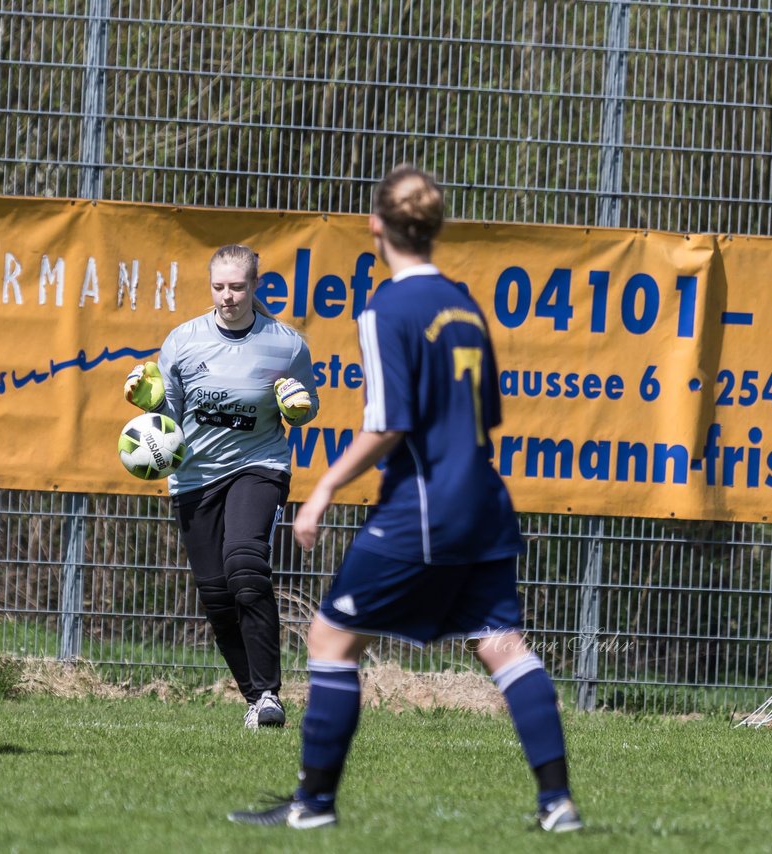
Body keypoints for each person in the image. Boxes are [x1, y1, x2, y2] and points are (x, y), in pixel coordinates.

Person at [228, 167, 581, 831]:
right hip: (484, 496)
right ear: (434, 227)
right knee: (502, 643)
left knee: (332, 635)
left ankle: (313, 806)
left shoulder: (386, 309)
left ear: (376, 227)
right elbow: (484, 414)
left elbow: (390, 423)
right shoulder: (464, 305)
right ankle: (556, 803)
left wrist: (325, 487)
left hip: (425, 503)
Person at [125, 244, 319, 729]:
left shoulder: (287, 344)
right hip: (194, 476)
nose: (227, 296)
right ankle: (255, 699)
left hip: (259, 465)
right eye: (218, 287)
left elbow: (303, 406)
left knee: (245, 566)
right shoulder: (182, 341)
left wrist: (299, 409)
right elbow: (166, 418)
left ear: (256, 286)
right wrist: (146, 401)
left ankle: (272, 693)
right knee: (215, 594)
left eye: (237, 286)